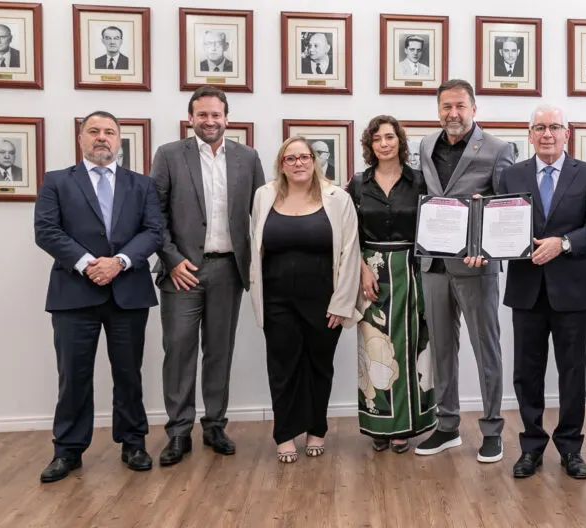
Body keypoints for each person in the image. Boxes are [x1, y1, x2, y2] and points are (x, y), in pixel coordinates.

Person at [33, 110, 164, 482]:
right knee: (73, 376)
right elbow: (46, 231)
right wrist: (90, 263)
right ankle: (68, 451)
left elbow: (154, 231)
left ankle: (133, 443)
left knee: (128, 373)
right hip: (74, 293)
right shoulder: (58, 181)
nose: (101, 137)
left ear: (119, 139)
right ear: (81, 138)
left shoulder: (141, 184)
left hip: (128, 292)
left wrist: (119, 262)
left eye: (109, 132)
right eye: (94, 131)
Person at [152, 86, 266, 466]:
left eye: (216, 114)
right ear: (191, 119)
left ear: (227, 118)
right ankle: (178, 432)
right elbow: (154, 216)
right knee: (179, 351)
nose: (210, 121)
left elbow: (263, 215)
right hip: (182, 271)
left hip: (228, 270)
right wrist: (171, 260)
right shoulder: (169, 155)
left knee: (219, 351)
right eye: (202, 115)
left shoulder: (247, 158)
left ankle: (215, 424)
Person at [499, 104, 586, 480]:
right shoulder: (511, 175)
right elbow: (497, 225)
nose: (547, 134)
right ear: (529, 134)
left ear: (567, 133)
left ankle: (570, 448)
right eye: (540, 128)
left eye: (555, 127)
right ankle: (531, 447)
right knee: (526, 375)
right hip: (526, 290)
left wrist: (562, 243)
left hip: (571, 291)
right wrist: (482, 249)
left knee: (572, 373)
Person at [413, 79, 514, 463]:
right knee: (441, 349)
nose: (452, 114)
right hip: (433, 263)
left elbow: (505, 208)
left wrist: (486, 247)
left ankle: (492, 429)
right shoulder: (425, 145)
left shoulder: (498, 149)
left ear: (474, 108)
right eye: (446, 107)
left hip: (476, 266)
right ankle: (447, 425)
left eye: (459, 106)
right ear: (438, 110)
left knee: (486, 349)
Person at [249, 136, 360, 463]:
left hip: (325, 301)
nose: (298, 163)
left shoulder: (338, 197)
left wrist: (342, 303)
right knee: (282, 367)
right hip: (276, 299)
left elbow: (350, 252)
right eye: (290, 158)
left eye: (304, 157)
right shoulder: (264, 196)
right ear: (281, 165)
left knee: (318, 366)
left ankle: (317, 430)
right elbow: (257, 247)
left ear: (314, 161)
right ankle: (284, 433)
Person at [348, 115, 436, 454]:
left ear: (400, 141)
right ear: (370, 146)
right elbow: (347, 233)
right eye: (377, 139)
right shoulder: (358, 184)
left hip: (412, 271)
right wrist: (360, 269)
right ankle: (379, 425)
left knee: (412, 346)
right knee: (374, 347)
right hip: (371, 271)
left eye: (389, 137)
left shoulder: (419, 182)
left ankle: (408, 426)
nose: (384, 143)